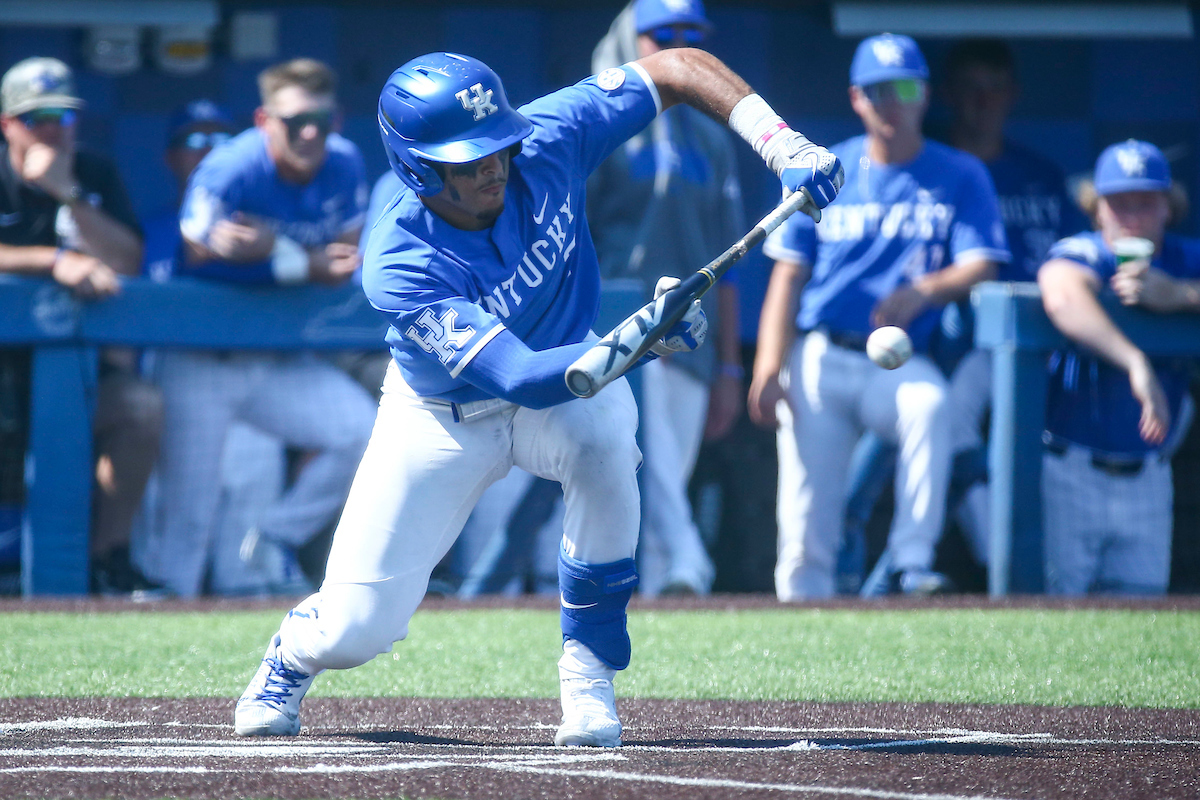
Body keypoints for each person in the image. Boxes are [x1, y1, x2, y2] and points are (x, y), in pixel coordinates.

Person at [232, 49, 841, 746]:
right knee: (356, 629)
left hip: (568, 384)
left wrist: (780, 142)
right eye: (470, 159)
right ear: (417, 168)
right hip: (443, 415)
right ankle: (292, 653)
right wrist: (642, 339)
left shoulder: (547, 137)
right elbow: (517, 375)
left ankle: (588, 680)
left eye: (500, 146)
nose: (496, 166)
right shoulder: (399, 257)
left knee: (606, 437)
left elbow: (676, 68)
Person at [750, 33, 1009, 601]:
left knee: (931, 407)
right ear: (856, 99)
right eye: (877, 92)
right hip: (821, 354)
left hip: (896, 360)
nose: (892, 103)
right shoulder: (823, 171)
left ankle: (911, 564)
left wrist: (924, 290)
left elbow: (983, 264)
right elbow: (787, 277)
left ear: (925, 95)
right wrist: (768, 366)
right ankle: (800, 608)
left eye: (906, 88)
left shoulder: (959, 173)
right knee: (805, 518)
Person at [841, 38, 1088, 592]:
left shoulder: (1038, 173)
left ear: (1011, 96)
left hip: (1045, 342)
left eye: (993, 90)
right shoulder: (936, 167)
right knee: (943, 425)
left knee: (1042, 451)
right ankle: (1000, 560)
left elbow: (1082, 256)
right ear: (950, 95)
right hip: (957, 345)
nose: (981, 102)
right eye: (970, 91)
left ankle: (1024, 566)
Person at [153, 58, 377, 598]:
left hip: (279, 362)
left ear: (337, 121)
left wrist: (274, 251)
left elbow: (344, 261)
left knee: (363, 434)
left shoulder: (344, 163)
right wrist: (300, 260)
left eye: (318, 121)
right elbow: (200, 251)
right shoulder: (231, 167)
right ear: (263, 120)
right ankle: (158, 653)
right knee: (189, 514)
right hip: (202, 360)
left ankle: (276, 537)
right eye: (292, 120)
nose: (307, 133)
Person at [586, 0, 745, 596]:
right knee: (640, 468)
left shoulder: (712, 135)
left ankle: (658, 597)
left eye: (691, 36)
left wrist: (731, 365)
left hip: (695, 336)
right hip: (619, 328)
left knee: (663, 478)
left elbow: (730, 261)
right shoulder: (603, 124)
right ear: (633, 38)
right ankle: (689, 565)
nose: (678, 48)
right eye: (663, 35)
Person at [0, 57, 161, 596]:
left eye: (62, 116)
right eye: (35, 116)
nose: (50, 128)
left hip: (76, 375)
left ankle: (105, 560)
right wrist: (51, 260)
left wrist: (68, 194)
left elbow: (130, 260)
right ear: (7, 124)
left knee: (141, 408)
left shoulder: (92, 173)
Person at [139, 100, 296, 596]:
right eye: (195, 141)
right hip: (185, 372)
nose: (210, 152)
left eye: (221, 141)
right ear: (171, 157)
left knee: (247, 530)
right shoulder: (157, 227)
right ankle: (160, 618)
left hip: (256, 376)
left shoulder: (265, 226)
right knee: (179, 518)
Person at [1038, 139, 1200, 595]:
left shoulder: (1183, 259)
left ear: (1169, 207)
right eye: (1119, 204)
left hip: (1150, 473)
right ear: (1097, 209)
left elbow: (1183, 284)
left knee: (1137, 622)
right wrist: (1134, 361)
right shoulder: (1087, 250)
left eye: (1145, 204)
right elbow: (1061, 292)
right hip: (1072, 470)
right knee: (1057, 617)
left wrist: (1182, 295)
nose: (1132, 217)